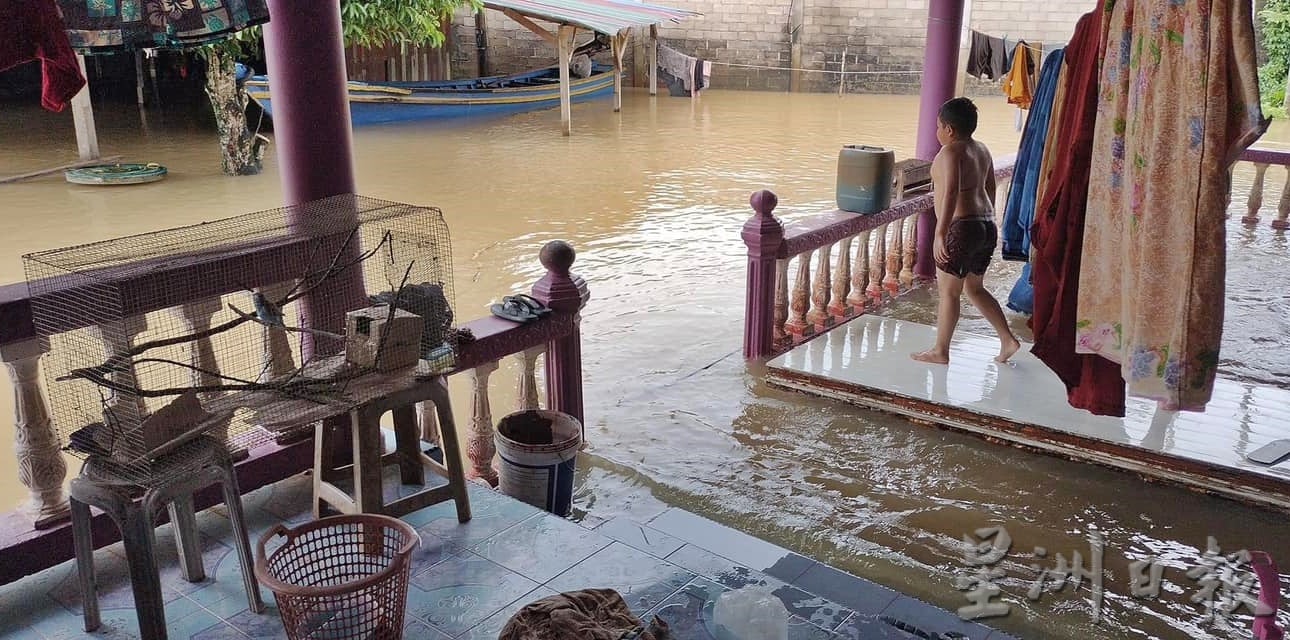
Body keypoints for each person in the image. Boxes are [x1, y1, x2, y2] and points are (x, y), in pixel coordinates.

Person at [911, 97, 1022, 365]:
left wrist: (941, 233)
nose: (937, 132)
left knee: (949, 292)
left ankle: (940, 351)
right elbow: (991, 188)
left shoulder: (949, 152)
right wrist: (989, 221)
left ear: (949, 129)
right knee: (975, 288)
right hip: (985, 225)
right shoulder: (982, 149)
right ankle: (1007, 340)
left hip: (961, 228)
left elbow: (949, 191)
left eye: (938, 127)